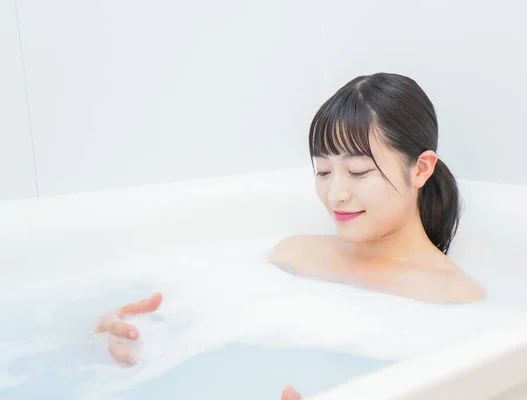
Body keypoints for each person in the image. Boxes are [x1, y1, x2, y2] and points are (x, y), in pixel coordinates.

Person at [94, 73, 485, 399]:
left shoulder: (454, 301)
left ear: (420, 169)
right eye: (323, 171)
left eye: (359, 172)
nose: (335, 194)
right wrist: (134, 338)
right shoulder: (294, 255)